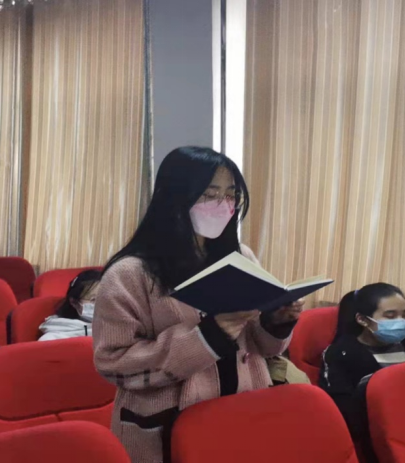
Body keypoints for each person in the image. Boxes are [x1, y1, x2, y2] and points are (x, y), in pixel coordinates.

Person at [93, 146, 302, 463]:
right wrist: (206, 338)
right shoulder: (130, 274)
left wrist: (276, 322)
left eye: (231, 195)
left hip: (241, 411)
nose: (224, 204)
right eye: (210, 195)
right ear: (175, 198)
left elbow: (263, 347)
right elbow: (114, 364)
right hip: (169, 426)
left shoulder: (240, 257)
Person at [319, 284, 405, 459]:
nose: (400, 321)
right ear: (363, 320)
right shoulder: (340, 355)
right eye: (390, 316)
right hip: (376, 439)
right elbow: (343, 414)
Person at [38, 270, 102, 341]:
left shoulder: (111, 332)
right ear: (74, 302)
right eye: (94, 300)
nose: (105, 305)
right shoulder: (52, 338)